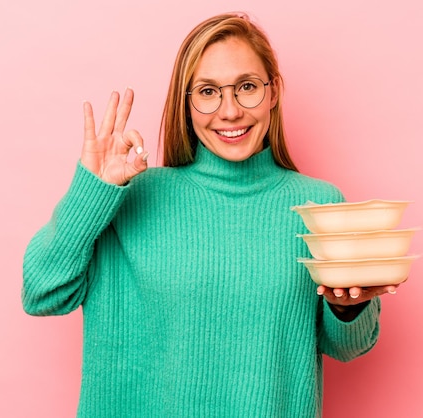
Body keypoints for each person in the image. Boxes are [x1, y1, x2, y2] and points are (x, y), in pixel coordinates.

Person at [22, 12, 398, 417]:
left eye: (247, 87)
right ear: (187, 103)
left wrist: (348, 307)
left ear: (273, 92)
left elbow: (350, 346)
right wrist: (92, 192)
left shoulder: (320, 205)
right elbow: (42, 293)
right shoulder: (130, 195)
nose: (230, 111)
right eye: (207, 92)